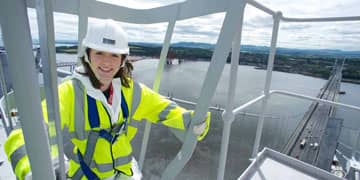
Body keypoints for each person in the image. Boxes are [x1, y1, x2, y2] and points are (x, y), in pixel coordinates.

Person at [4, 19, 210, 179]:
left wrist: (193, 121)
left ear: (122, 60)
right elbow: (25, 132)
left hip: (127, 173)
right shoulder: (70, 93)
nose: (106, 62)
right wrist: (42, 167)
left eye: (114, 55)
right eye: (99, 53)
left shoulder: (129, 91)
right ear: (88, 55)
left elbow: (163, 108)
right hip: (86, 175)